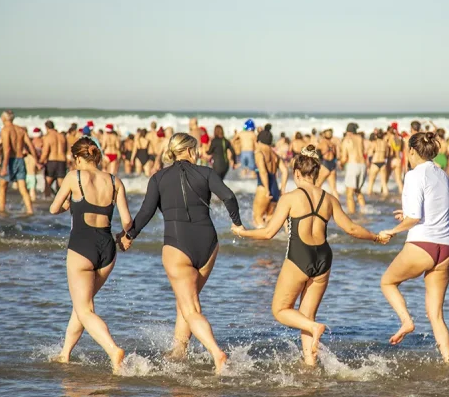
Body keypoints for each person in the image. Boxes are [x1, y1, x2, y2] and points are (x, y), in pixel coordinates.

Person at [232, 145, 385, 364]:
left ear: (296, 173)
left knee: (280, 310)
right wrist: (375, 237)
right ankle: (310, 363)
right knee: (305, 316)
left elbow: (267, 233)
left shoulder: (290, 197)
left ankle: (315, 329)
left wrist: (243, 232)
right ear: (316, 172)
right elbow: (351, 229)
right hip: (324, 258)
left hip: (299, 256)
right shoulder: (330, 199)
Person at [120, 134, 241, 373]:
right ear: (189, 149)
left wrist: (129, 236)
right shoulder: (206, 173)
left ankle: (217, 354)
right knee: (185, 301)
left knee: (190, 307)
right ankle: (179, 351)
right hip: (208, 244)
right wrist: (237, 224)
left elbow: (145, 213)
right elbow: (228, 196)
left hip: (178, 245)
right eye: (195, 148)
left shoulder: (158, 178)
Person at [49, 137, 131, 374]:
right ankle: (65, 354)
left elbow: (55, 208)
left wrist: (71, 205)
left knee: (84, 309)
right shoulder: (115, 181)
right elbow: (127, 221)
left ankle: (113, 349)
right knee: (82, 306)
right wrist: (126, 236)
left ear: (77, 158)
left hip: (81, 248)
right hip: (107, 249)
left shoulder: (74, 177)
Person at [377, 132, 449, 364]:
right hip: (445, 248)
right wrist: (407, 216)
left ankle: (406, 321)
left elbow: (414, 218)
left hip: (422, 244)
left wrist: (392, 230)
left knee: (387, 282)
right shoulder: (443, 175)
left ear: (411, 151)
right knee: (437, 316)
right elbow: (431, 209)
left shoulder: (413, 175)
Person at [0, 110, 36, 214]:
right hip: (20, 160)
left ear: (4, 118)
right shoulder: (21, 130)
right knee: (23, 188)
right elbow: (31, 146)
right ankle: (30, 210)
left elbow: (7, 149)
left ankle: (1, 209)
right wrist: (37, 161)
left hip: (10, 160)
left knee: (3, 186)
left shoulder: (5, 130)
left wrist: (4, 167)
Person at [253, 127, 289, 227]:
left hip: (264, 188)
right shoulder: (275, 155)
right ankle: (271, 241)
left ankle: (260, 242)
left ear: (259, 141)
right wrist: (282, 188)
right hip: (275, 189)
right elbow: (285, 171)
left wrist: (267, 189)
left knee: (258, 218)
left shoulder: (259, 153)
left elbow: (263, 172)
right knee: (269, 217)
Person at [339, 122, 367, 215]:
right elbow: (363, 151)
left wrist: (341, 164)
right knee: (358, 191)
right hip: (363, 165)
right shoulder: (360, 139)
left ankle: (352, 215)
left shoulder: (346, 140)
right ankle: (364, 211)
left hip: (353, 165)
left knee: (349, 194)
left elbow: (344, 157)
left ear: (347, 131)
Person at [40, 120, 67, 198]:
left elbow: (45, 152)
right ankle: (64, 200)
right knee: (61, 183)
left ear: (46, 127)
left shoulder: (48, 137)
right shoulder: (62, 136)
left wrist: (40, 161)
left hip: (52, 161)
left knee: (47, 182)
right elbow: (65, 150)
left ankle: (46, 199)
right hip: (62, 161)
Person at [366, 129, 390, 196]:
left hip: (375, 163)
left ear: (376, 136)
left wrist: (368, 166)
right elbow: (387, 155)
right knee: (384, 183)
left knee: (371, 182)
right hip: (382, 163)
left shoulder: (374, 143)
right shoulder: (385, 143)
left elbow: (370, 154)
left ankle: (369, 200)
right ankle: (386, 199)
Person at [317, 129, 341, 198]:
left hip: (325, 165)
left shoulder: (322, 143)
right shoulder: (333, 144)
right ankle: (338, 206)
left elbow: (317, 154)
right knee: (333, 189)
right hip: (333, 166)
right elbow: (336, 155)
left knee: (317, 186)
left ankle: (316, 204)